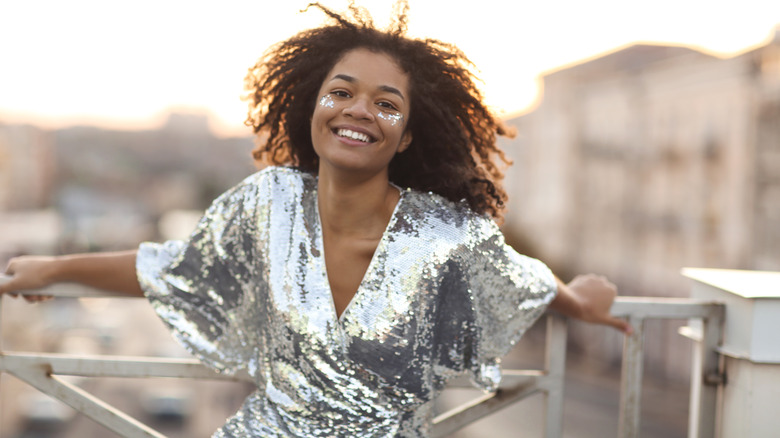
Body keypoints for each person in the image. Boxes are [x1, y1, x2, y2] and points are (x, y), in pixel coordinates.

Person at [1, 2, 631, 437]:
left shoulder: (447, 235)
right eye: (342, 92)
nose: (358, 110)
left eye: (386, 104)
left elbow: (521, 279)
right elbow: (175, 268)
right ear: (313, 106)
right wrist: (51, 266)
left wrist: (579, 297)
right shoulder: (267, 202)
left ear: (408, 136)